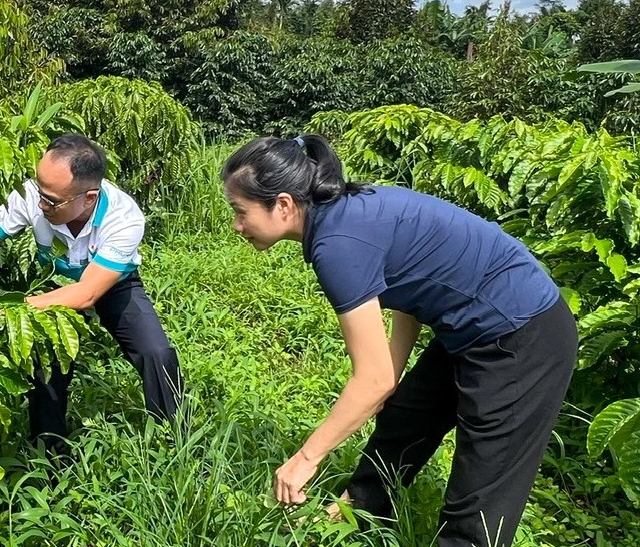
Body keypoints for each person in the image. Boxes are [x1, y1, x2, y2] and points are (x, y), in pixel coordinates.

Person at [221, 134, 577, 547]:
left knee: (479, 499)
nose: (237, 225)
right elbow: (411, 284)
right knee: (403, 419)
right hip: (475, 321)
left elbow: (371, 381)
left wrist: (303, 460)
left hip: (524, 335)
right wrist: (393, 373)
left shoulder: (337, 246)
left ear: (282, 204)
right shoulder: (343, 212)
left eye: (240, 211)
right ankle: (353, 516)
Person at [0, 133, 182, 450]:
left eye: (51, 200)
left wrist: (7, 310)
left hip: (111, 285)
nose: (40, 203)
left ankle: (175, 440)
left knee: (156, 354)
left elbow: (87, 293)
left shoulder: (124, 217)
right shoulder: (36, 194)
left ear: (89, 198)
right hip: (53, 282)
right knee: (48, 367)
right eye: (39, 191)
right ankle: (50, 456)